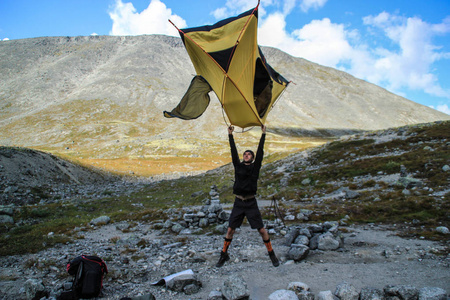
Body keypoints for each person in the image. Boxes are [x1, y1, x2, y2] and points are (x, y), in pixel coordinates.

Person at [216, 124, 280, 268]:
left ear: (252, 158)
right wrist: (230, 135)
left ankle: (272, 255)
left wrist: (263, 134)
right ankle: (223, 255)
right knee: (230, 230)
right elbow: (233, 152)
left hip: (251, 203)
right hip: (239, 202)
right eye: (245, 154)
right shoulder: (238, 166)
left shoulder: (255, 168)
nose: (246, 155)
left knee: (262, 230)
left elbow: (261, 151)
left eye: (249, 154)